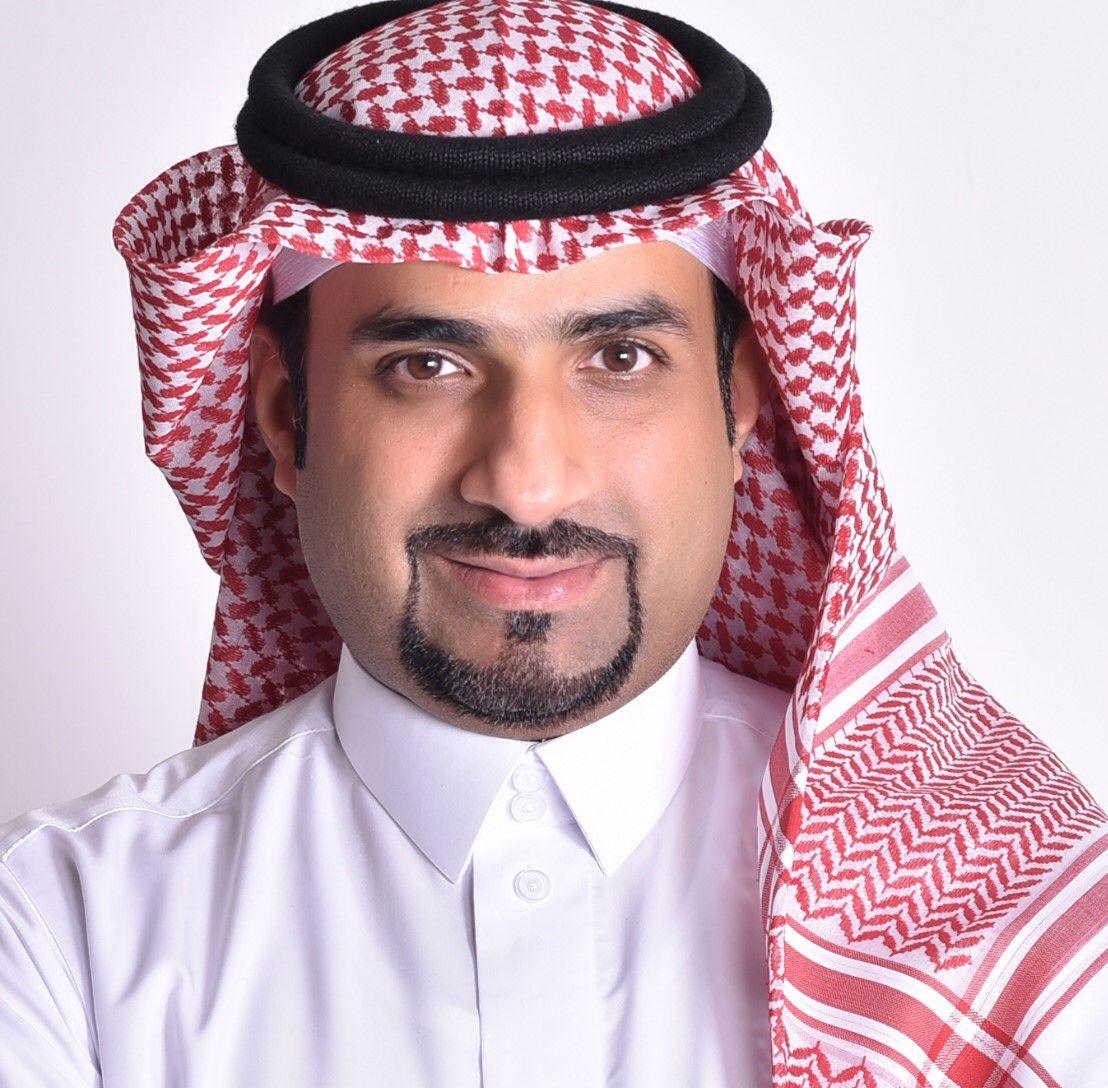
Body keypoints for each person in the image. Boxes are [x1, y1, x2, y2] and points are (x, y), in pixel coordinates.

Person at [2, 1, 1105, 1084]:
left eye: (620, 358)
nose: (526, 485)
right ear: (289, 421)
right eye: (427, 366)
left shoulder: (1029, 936)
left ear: (739, 405)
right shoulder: (66, 937)